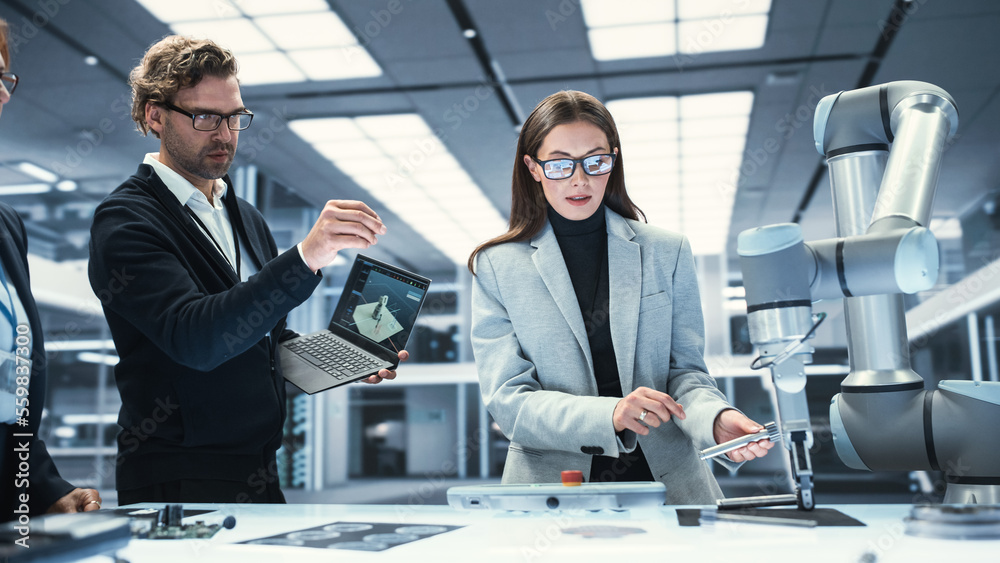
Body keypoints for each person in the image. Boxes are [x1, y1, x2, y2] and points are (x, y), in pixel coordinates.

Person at [88, 35, 406, 505]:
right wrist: (305, 259)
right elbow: (196, 337)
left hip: (258, 469)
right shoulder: (126, 220)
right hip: (178, 477)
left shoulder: (245, 216)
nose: (225, 133)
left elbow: (262, 340)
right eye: (204, 117)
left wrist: (338, 361)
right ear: (155, 115)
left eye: (235, 117)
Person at [468, 90, 774, 504]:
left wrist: (716, 419)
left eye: (595, 162)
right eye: (559, 164)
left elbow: (686, 375)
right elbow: (509, 401)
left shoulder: (668, 251)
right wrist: (610, 414)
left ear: (613, 161)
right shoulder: (498, 266)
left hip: (669, 480)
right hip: (552, 484)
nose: (580, 179)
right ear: (533, 168)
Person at [0, 16, 103, 520]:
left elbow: (6, 399)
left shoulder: (5, 224)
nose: (1, 95)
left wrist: (44, 489)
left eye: (3, 79)